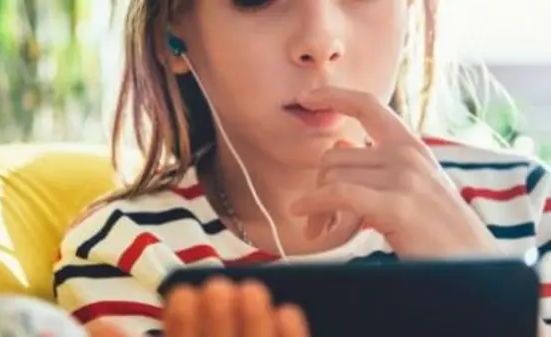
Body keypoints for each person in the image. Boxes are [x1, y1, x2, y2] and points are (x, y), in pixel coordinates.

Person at [53, 1, 551, 336]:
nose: (320, 40)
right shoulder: (125, 252)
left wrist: (480, 276)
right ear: (172, 36)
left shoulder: (531, 203)